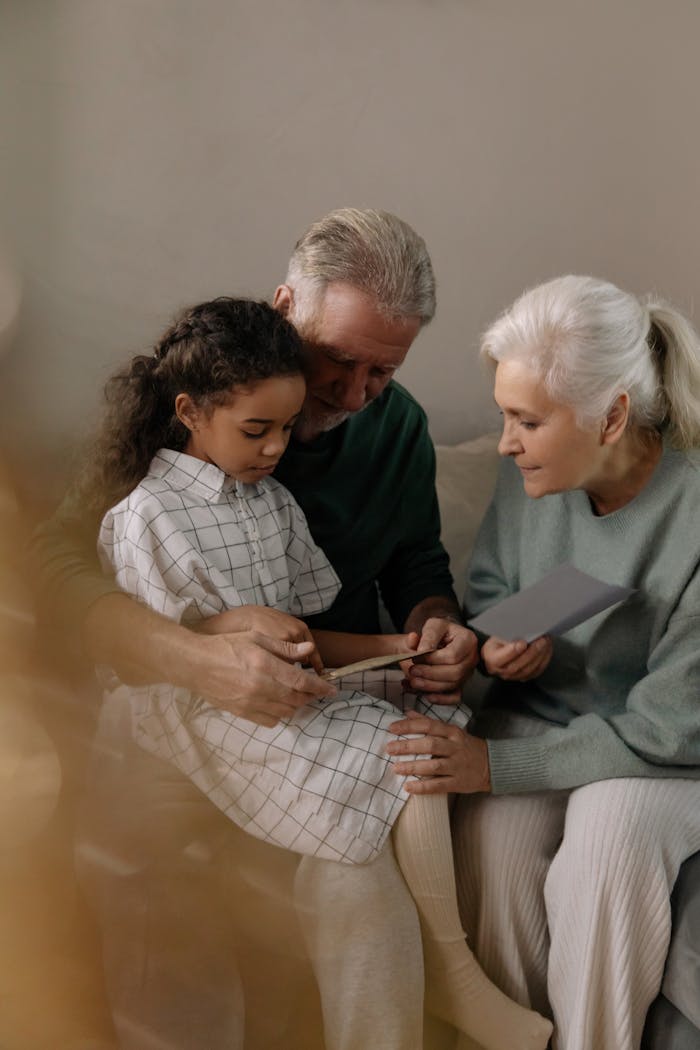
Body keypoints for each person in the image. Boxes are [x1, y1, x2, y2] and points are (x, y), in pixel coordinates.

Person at [32, 209, 479, 1050]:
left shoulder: (397, 428)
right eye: (337, 360)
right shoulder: (189, 410)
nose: (352, 394)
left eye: (381, 371)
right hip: (169, 714)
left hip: (310, 707)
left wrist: (434, 628)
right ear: (285, 310)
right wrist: (197, 658)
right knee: (148, 864)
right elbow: (53, 563)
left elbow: (418, 567)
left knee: (364, 879)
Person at [92, 294, 551, 1050]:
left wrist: (410, 648)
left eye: (385, 371)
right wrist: (227, 630)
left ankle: (442, 988)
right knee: (395, 760)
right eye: (257, 431)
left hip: (292, 698)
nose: (278, 448)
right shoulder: (146, 512)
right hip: (194, 708)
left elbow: (313, 628)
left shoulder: (272, 497)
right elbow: (150, 637)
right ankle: (458, 978)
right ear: (191, 411)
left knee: (417, 741)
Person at [386, 274, 700, 1050]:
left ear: (613, 414)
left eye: (527, 420)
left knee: (609, 830)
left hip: (669, 756)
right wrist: (493, 647)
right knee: (493, 834)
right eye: (503, 416)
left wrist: (491, 765)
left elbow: (670, 729)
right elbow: (493, 589)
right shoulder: (531, 475)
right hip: (551, 724)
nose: (504, 441)